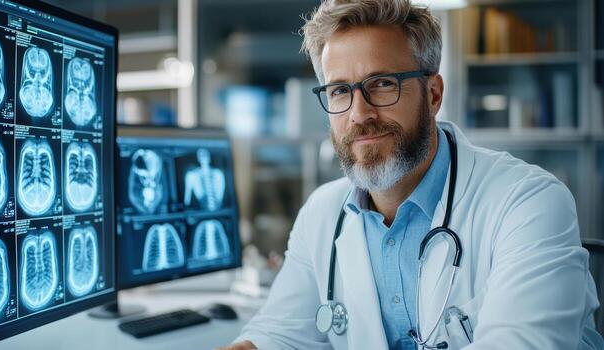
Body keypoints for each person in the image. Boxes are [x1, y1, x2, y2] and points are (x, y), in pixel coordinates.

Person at [221, 0, 604, 349]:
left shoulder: (528, 202)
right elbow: (277, 334)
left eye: (383, 84)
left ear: (434, 94)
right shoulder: (323, 213)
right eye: (340, 91)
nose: (359, 114)